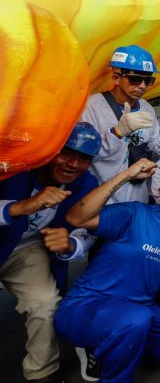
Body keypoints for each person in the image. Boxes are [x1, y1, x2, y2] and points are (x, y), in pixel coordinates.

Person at [55, 155, 160, 382]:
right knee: (137, 319)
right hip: (87, 305)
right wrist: (127, 175)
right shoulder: (135, 213)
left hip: (139, 309)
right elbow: (76, 217)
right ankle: (105, 355)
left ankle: (114, 345)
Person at [0, 123, 101, 382]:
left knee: (45, 303)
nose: (73, 164)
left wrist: (70, 245)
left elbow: (88, 231)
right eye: (66, 153)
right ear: (49, 150)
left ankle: (41, 373)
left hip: (24, 250)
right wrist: (23, 207)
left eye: (83, 158)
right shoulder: (13, 165)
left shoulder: (86, 183)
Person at [80, 44, 160, 204]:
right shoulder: (92, 107)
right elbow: (83, 158)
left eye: (148, 80)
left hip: (137, 200)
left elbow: (151, 148)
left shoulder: (147, 108)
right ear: (116, 78)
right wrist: (117, 133)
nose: (142, 86)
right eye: (135, 79)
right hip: (101, 200)